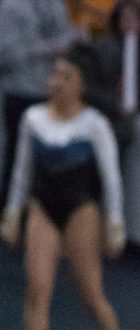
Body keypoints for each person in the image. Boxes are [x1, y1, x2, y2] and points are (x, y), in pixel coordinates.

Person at [1, 44, 128, 330]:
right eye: (54, 74)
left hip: (81, 210)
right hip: (43, 208)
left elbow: (111, 177)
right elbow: (22, 171)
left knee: (90, 293)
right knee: (37, 289)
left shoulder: (94, 125)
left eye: (65, 76)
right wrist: (12, 215)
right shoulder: (34, 119)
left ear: (81, 84)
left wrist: (115, 225)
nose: (55, 82)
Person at [0, 0, 76, 204]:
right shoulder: (13, 8)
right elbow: (5, 54)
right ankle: (10, 215)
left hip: (51, 95)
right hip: (19, 94)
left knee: (46, 162)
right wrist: (46, 49)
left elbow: (66, 41)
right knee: (16, 161)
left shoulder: (58, 7)